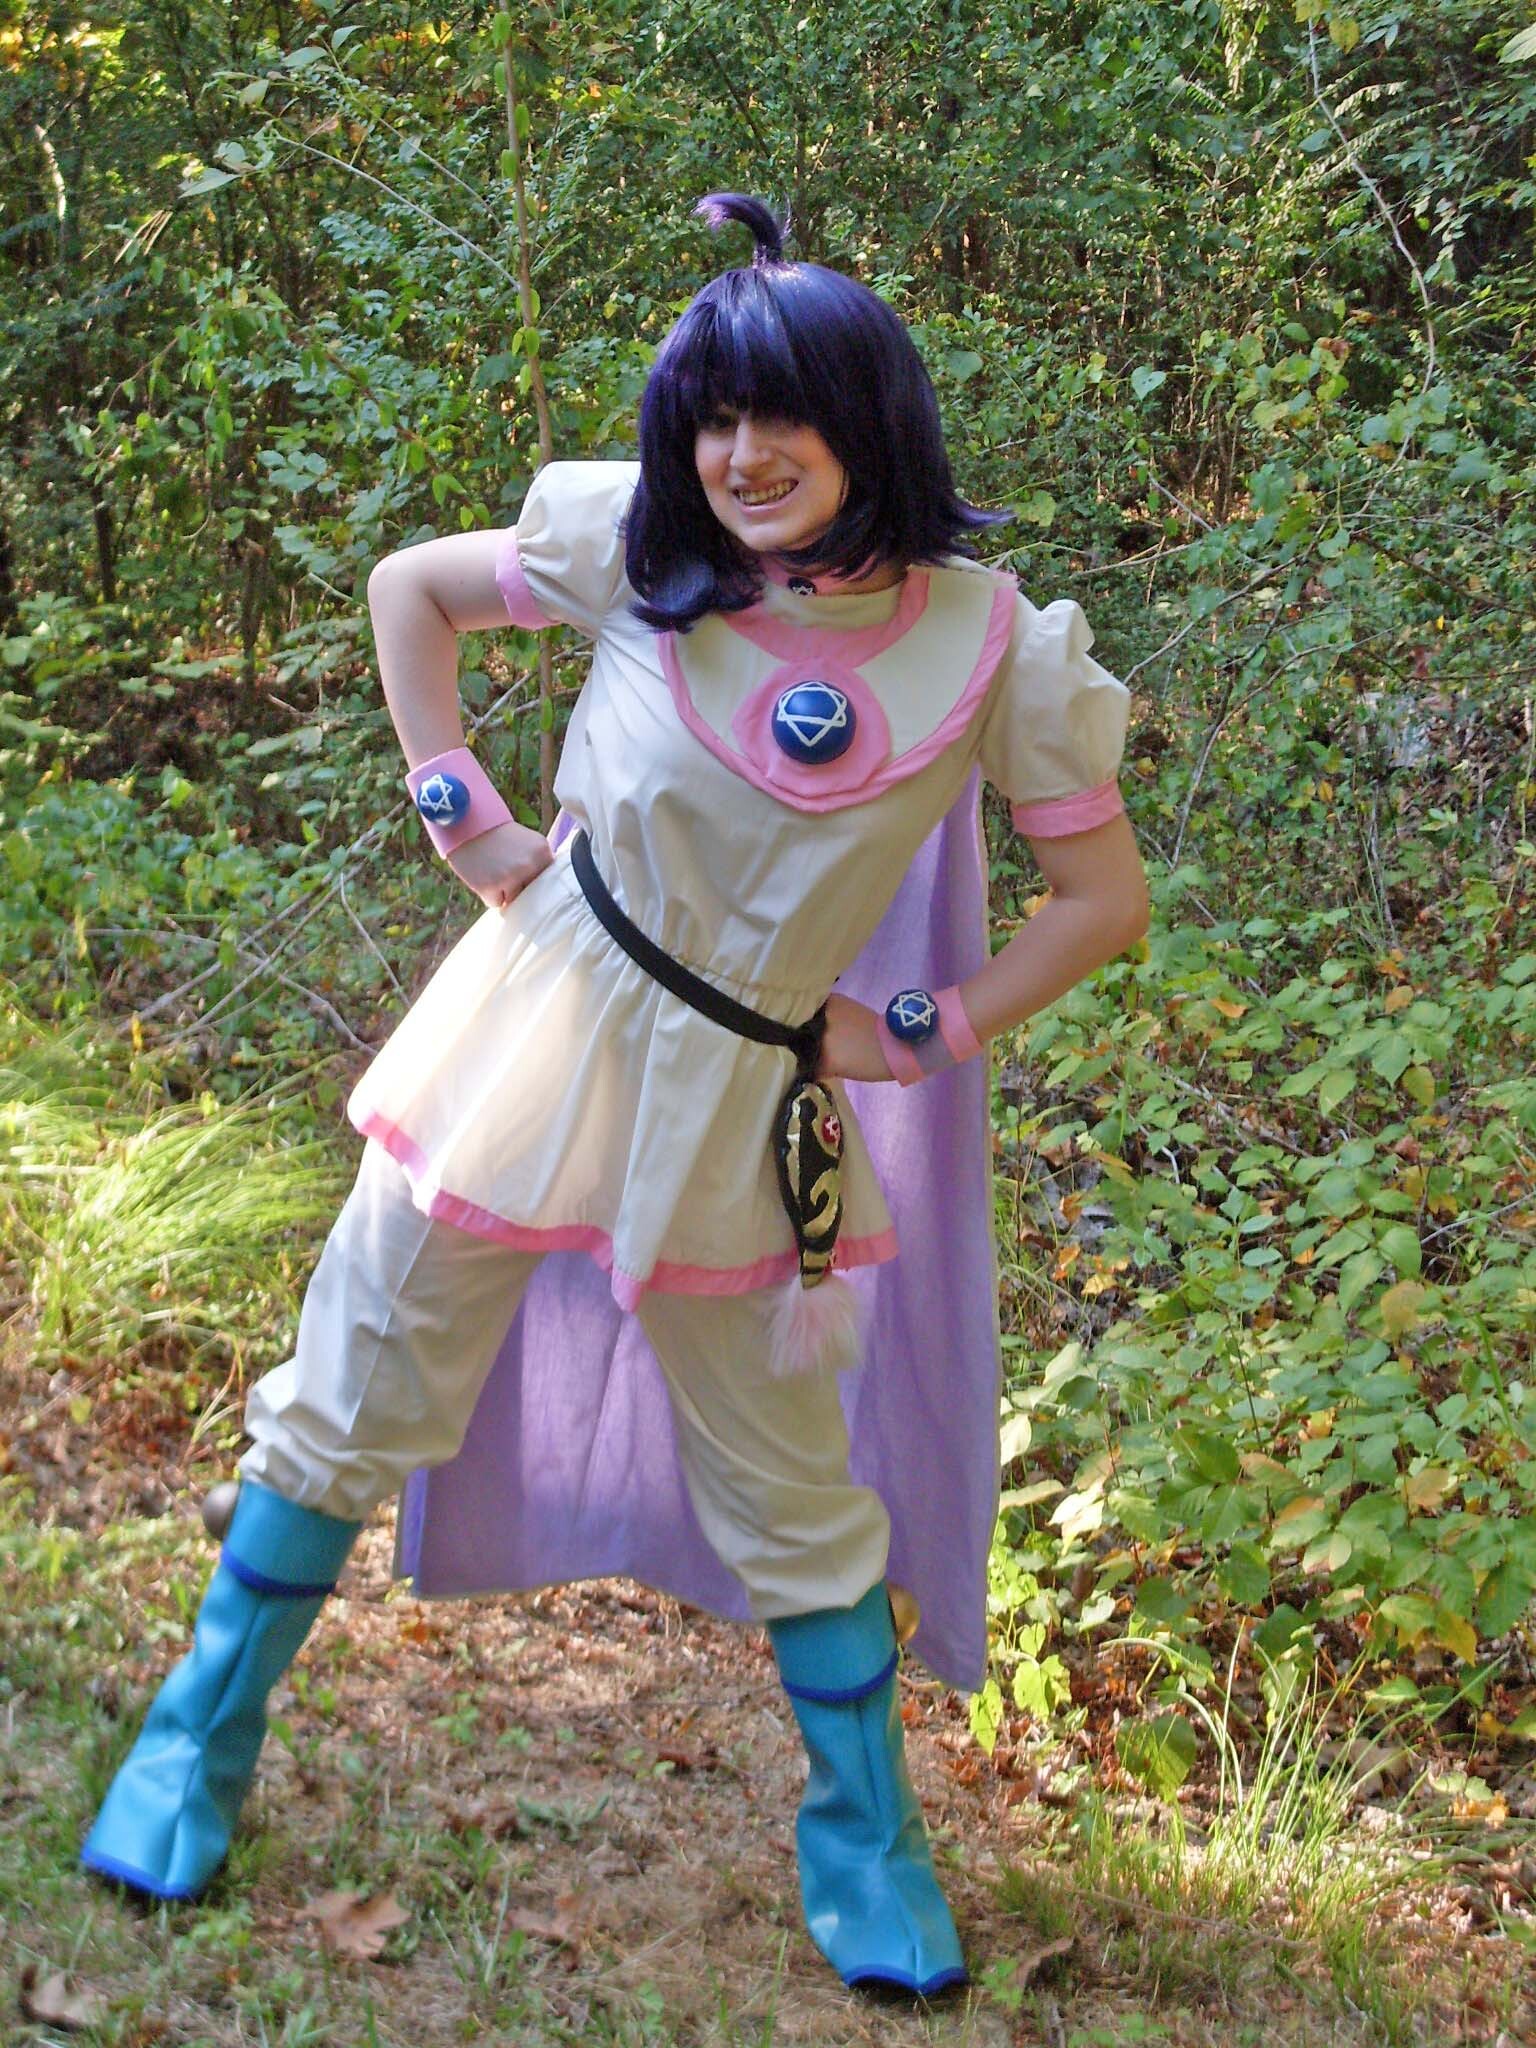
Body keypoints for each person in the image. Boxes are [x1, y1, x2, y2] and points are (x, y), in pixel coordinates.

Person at [81, 194, 1149, 1998]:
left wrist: (917, 1030)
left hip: (750, 1092)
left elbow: (1100, 901)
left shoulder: (991, 647)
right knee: (359, 1373)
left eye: (783, 414)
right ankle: (197, 1736)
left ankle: (866, 1836)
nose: (744, 456)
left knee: (790, 1472)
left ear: (870, 419)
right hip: (533, 1024)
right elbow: (412, 592)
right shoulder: (641, 545)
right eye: (713, 419)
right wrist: (463, 816)